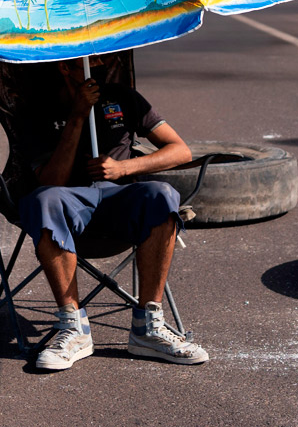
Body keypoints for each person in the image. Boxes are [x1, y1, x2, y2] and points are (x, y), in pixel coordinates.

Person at [16, 56, 210, 371]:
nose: (102, 66)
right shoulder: (37, 110)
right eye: (91, 62)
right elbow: (51, 181)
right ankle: (73, 328)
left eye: (104, 58)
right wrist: (78, 116)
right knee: (43, 200)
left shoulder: (123, 97)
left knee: (161, 195)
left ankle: (148, 327)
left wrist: (124, 167)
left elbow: (180, 150)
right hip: (70, 200)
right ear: (66, 67)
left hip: (120, 196)